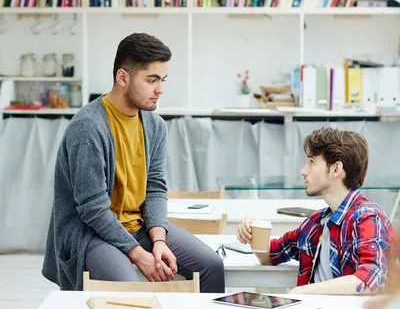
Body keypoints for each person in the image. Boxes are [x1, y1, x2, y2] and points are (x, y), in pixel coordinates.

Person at [42, 32, 225, 292]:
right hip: (91, 232)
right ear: (123, 77)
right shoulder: (87, 128)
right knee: (127, 284)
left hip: (139, 226)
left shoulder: (155, 125)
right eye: (151, 80)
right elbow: (92, 209)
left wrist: (159, 239)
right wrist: (138, 254)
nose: (160, 89)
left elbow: (155, 187)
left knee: (211, 265)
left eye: (162, 80)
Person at [237, 127, 396, 295]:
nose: (303, 171)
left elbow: (370, 281)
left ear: (336, 169)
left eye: (311, 162)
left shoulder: (366, 217)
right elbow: (270, 256)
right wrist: (253, 231)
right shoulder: (317, 222)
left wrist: (302, 292)